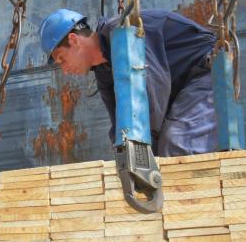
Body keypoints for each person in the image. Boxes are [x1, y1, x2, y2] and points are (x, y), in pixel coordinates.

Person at [40, 8, 218, 157]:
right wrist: (123, 152)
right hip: (179, 90)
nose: (65, 70)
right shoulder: (103, 71)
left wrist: (144, 148)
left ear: (74, 40)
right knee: (148, 154)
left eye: (62, 59)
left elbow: (155, 83)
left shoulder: (123, 31)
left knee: (177, 142)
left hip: (205, 73)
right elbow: (119, 123)